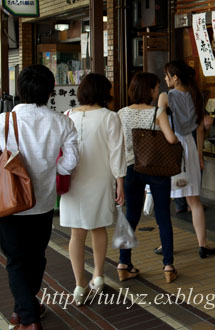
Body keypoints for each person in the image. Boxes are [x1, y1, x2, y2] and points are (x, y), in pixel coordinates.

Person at [0, 65, 78, 330]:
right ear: (49, 90)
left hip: (9, 205)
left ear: (19, 90)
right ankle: (25, 308)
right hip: (43, 203)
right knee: (36, 257)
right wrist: (49, 169)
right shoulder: (62, 121)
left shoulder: (3, 121)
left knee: (16, 261)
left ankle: (28, 318)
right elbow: (70, 163)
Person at [60, 73, 126, 305]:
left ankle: (79, 285)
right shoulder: (110, 117)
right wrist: (120, 182)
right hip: (100, 179)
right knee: (98, 228)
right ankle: (98, 276)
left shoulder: (67, 115)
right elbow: (117, 152)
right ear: (103, 92)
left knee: (76, 233)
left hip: (73, 181)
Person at [117, 72, 179, 284]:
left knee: (131, 216)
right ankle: (168, 266)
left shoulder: (122, 113)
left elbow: (120, 144)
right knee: (163, 217)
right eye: (155, 88)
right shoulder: (157, 112)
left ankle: (123, 264)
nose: (157, 91)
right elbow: (170, 139)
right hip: (156, 168)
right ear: (150, 90)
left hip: (131, 168)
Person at [162, 61, 215, 258]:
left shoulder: (166, 97)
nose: (166, 79)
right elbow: (200, 129)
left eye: (168, 75)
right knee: (194, 200)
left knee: (164, 199)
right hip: (191, 148)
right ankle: (202, 244)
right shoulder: (196, 97)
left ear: (176, 78)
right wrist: (200, 156)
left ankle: (165, 243)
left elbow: (159, 120)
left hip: (172, 146)